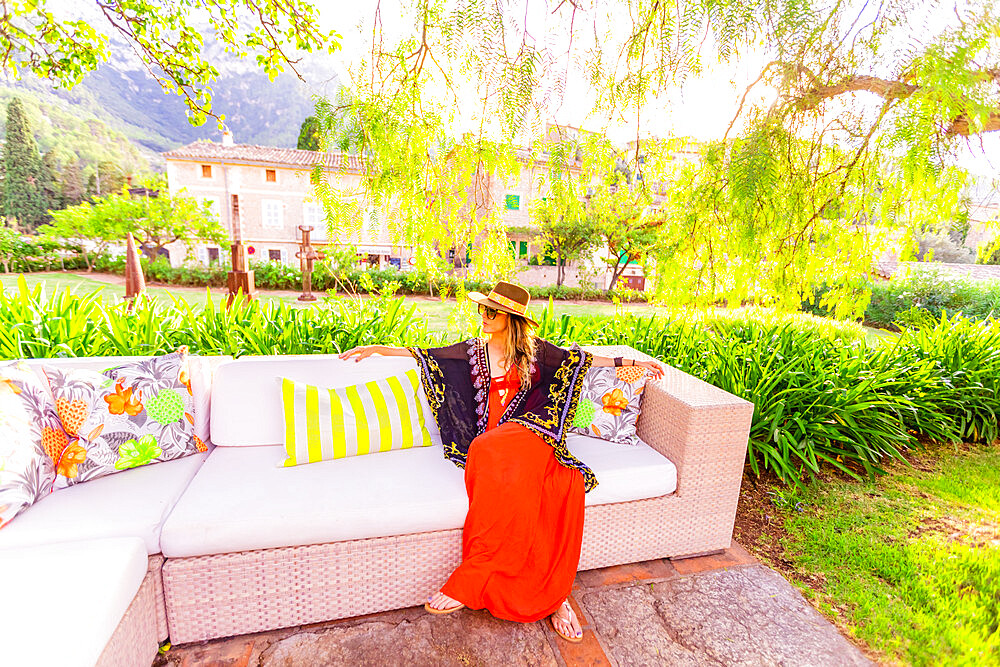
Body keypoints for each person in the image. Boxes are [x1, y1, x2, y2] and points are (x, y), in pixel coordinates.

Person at [339, 281, 664, 642]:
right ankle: (550, 596)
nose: (484, 316)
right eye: (482, 309)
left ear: (511, 319)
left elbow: (584, 360)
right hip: (493, 448)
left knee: (552, 480)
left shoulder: (536, 353)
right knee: (491, 455)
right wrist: (378, 349)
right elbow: (427, 354)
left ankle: (506, 584)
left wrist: (635, 362)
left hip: (533, 434)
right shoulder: (471, 351)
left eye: (492, 312)